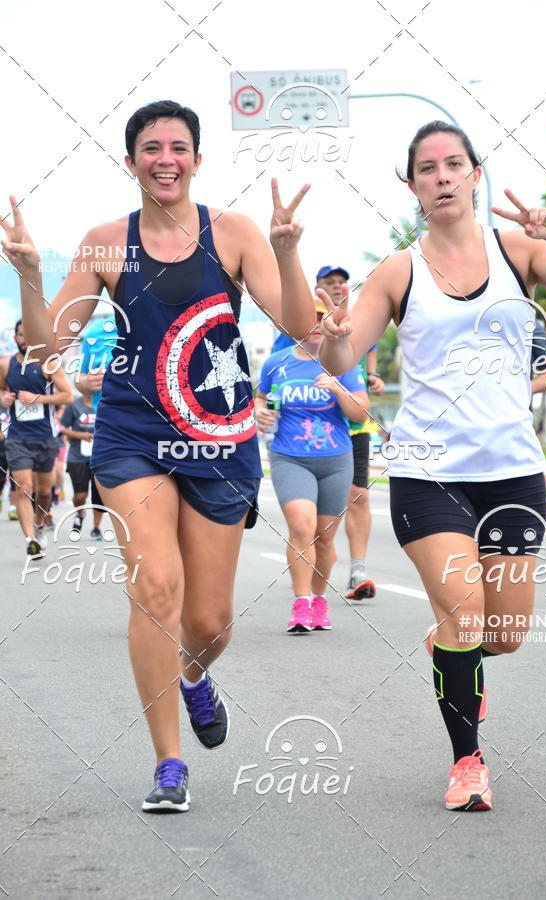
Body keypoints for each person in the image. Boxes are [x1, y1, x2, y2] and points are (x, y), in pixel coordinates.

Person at [1, 99, 314, 813]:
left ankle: (195, 677)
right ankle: (168, 764)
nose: (165, 158)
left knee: (209, 622)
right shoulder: (107, 241)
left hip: (220, 440)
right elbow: (53, 349)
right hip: (133, 436)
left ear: (197, 160)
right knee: (155, 588)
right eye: (151, 147)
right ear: (131, 160)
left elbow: (300, 327)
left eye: (178, 147)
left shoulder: (232, 234)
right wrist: (26, 272)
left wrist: (288, 253)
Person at [317, 120, 546, 812]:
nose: (442, 176)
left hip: (511, 473)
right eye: (427, 168)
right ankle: (467, 761)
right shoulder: (398, 270)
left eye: (454, 164)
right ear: (412, 186)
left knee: (502, 636)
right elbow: (342, 357)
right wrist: (329, 337)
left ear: (475, 175)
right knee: (468, 615)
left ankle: (454, 642)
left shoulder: (520, 251)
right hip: (427, 472)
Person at [255, 297, 369, 632]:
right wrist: (259, 411)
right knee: (302, 526)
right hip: (290, 456)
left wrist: (336, 388)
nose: (317, 326)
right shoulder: (277, 362)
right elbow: (261, 398)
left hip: (335, 458)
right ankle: (300, 603)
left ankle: (319, 602)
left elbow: (360, 413)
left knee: (323, 537)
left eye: (323, 319)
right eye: (310, 319)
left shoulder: (345, 363)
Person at [0, 320, 72, 557]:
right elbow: (1, 391)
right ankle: (31, 539)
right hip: (17, 438)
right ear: (16, 337)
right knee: (24, 488)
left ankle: (39, 523)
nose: (24, 340)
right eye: (21, 335)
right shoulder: (5, 365)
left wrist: (37, 399)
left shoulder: (48, 364)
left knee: (44, 492)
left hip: (45, 438)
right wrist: (4, 399)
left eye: (28, 335)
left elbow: (67, 396)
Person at [60, 393, 105, 538]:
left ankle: (96, 528)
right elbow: (61, 428)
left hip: (101, 456)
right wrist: (81, 436)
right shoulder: (74, 405)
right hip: (77, 456)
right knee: (80, 496)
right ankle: (80, 512)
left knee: (99, 496)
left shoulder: (105, 402)